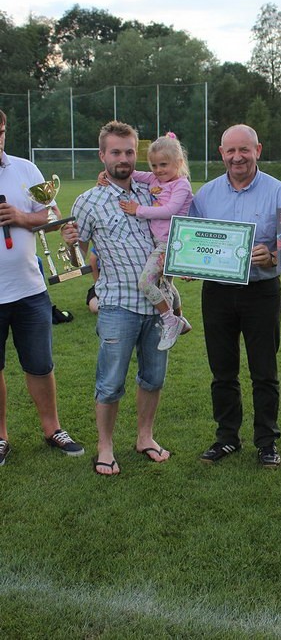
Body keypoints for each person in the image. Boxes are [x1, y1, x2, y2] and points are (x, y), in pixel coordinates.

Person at [62, 120, 172, 476]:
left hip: (157, 306)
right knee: (110, 383)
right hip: (117, 306)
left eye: (128, 151)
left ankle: (145, 437)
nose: (123, 158)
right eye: (115, 152)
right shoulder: (88, 201)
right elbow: (77, 260)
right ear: (102, 155)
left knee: (153, 378)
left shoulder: (153, 191)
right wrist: (71, 244)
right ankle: (105, 446)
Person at [190, 124, 281, 468]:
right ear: (222, 153)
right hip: (217, 294)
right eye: (231, 151)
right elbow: (191, 240)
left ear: (257, 150)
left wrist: (273, 255)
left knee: (264, 372)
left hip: (261, 293)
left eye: (244, 150)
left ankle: (266, 442)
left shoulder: (279, 192)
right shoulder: (205, 195)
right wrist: (187, 263)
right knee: (222, 371)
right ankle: (227, 438)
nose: (238, 157)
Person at [0, 109, 84, 466]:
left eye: (0, 132)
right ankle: (1, 437)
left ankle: (53, 429)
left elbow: (52, 217)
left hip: (29, 290)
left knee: (40, 364)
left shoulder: (24, 169)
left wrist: (21, 217)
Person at [116, 132, 193, 350]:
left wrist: (138, 210)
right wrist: (105, 174)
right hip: (159, 243)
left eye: (164, 165)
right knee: (166, 284)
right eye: (154, 165)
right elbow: (131, 173)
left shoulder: (181, 185)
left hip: (171, 244)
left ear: (178, 163)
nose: (158, 170)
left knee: (145, 283)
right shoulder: (154, 179)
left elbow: (170, 210)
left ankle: (170, 321)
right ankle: (180, 319)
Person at [85, 247, 100, 314]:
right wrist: (97, 283)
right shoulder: (101, 244)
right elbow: (92, 259)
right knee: (95, 308)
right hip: (103, 280)